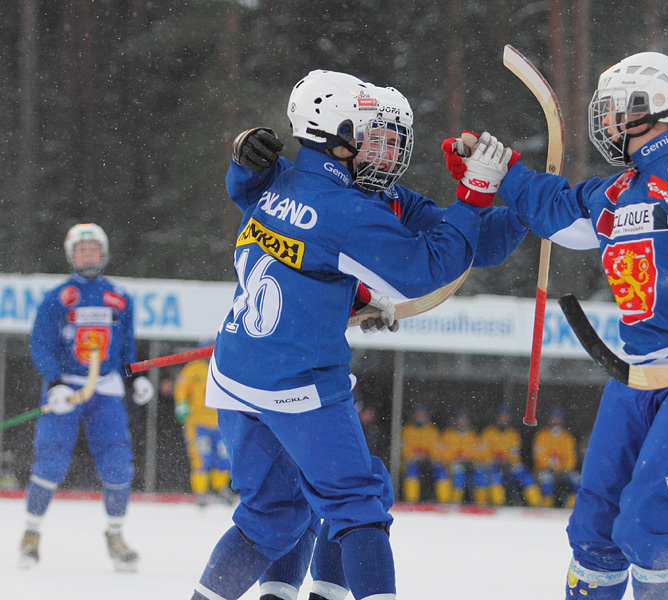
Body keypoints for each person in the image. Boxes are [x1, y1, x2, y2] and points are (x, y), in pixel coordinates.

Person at [443, 52, 668, 599]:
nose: (605, 121)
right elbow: (558, 211)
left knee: (649, 524)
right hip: (636, 379)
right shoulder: (621, 190)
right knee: (593, 532)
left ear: (649, 110)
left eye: (615, 110)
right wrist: (499, 173)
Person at [189, 69, 501, 600]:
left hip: (236, 373)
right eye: (373, 135)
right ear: (337, 135)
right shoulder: (349, 210)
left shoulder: (284, 180)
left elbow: (291, 242)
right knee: (359, 502)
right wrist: (476, 195)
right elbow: (431, 266)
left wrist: (355, 298)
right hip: (297, 383)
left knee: (273, 515)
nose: (386, 151)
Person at [19, 223, 155, 572]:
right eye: (81, 251)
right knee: (50, 461)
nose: (88, 256)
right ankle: (31, 534)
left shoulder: (120, 297)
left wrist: (135, 375)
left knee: (118, 464)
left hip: (106, 388)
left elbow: (127, 346)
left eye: (93, 249)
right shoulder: (57, 297)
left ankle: (115, 535)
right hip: (67, 389)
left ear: (104, 253)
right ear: (70, 256)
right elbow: (42, 344)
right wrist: (53, 385)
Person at [173, 338, 236, 507]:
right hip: (198, 422)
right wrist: (181, 405)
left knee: (224, 457)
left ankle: (220, 489)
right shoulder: (193, 369)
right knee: (201, 458)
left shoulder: (226, 367)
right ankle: (201, 493)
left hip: (220, 422)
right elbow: (181, 388)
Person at [482, 404, 542, 506]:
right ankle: (498, 503)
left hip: (508, 466)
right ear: (497, 417)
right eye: (501, 416)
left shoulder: (513, 434)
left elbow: (514, 456)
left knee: (524, 474)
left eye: (506, 416)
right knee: (495, 476)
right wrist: (493, 461)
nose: (503, 419)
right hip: (493, 466)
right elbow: (483, 453)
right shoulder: (488, 433)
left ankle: (536, 503)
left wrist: (508, 463)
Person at [400, 403, 450, 503]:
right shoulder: (407, 430)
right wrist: (413, 456)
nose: (419, 416)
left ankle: (445, 503)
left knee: (441, 471)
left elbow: (436, 449)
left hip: (429, 461)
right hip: (413, 461)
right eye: (417, 414)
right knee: (412, 471)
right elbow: (404, 449)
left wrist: (428, 455)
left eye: (422, 414)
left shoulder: (432, 430)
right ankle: (411, 502)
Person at [532, 406, 580, 508]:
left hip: (563, 471)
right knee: (546, 479)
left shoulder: (567, 437)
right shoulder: (542, 436)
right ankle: (546, 503)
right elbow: (539, 455)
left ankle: (572, 505)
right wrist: (549, 467)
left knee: (576, 479)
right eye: (553, 418)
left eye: (557, 418)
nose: (555, 420)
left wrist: (565, 469)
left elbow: (571, 456)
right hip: (546, 470)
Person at [439, 408, 490, 505]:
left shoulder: (472, 435)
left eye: (464, 419)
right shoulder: (448, 434)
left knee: (480, 474)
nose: (462, 421)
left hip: (470, 465)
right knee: (459, 474)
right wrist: (455, 459)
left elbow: (479, 453)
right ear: (455, 420)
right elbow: (443, 454)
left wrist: (469, 459)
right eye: (460, 419)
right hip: (453, 465)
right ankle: (455, 503)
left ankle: (482, 505)